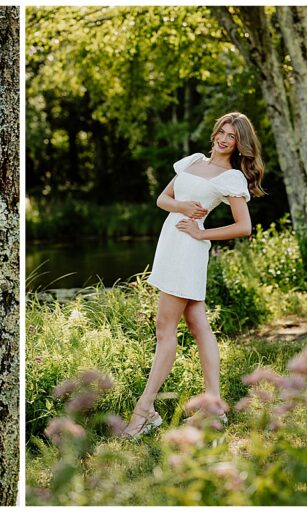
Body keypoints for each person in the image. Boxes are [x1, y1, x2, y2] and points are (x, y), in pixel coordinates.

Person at [122, 112, 266, 437]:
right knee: (198, 324)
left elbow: (244, 227)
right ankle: (213, 408)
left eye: (232, 136)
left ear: (239, 143)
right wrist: (183, 208)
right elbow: (162, 199)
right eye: (222, 132)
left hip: (188, 248)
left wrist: (202, 234)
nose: (224, 138)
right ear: (215, 132)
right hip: (171, 243)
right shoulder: (193, 161)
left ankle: (145, 410)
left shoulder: (230, 178)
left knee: (164, 327)